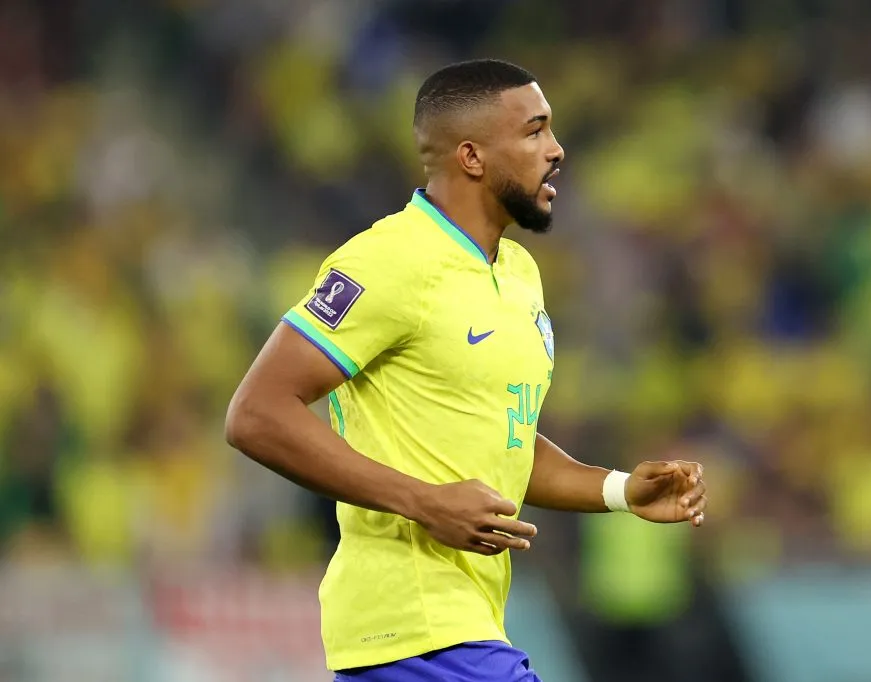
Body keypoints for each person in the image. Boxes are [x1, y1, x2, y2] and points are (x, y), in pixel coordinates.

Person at [225, 59, 708, 682]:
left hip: (461, 629)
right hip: (414, 632)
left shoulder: (520, 274)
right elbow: (256, 414)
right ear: (473, 157)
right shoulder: (389, 260)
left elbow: (495, 439)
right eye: (535, 131)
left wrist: (616, 490)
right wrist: (422, 501)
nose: (557, 151)